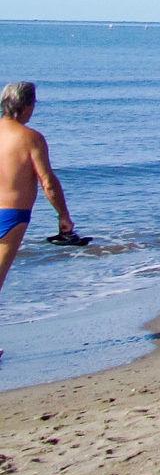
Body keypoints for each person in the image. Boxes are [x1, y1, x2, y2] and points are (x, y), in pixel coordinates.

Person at [1, 82, 75, 307]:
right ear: (24, 106)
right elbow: (48, 183)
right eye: (33, 104)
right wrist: (64, 216)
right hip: (12, 215)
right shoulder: (31, 138)